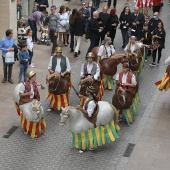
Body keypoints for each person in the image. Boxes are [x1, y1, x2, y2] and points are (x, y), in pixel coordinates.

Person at [76, 85, 98, 153]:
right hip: (85, 115)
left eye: (86, 91)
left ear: (89, 93)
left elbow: (89, 114)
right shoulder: (90, 98)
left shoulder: (91, 103)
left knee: (83, 133)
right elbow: (87, 99)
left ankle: (84, 148)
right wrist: (82, 96)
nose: (85, 91)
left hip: (88, 119)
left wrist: (80, 109)